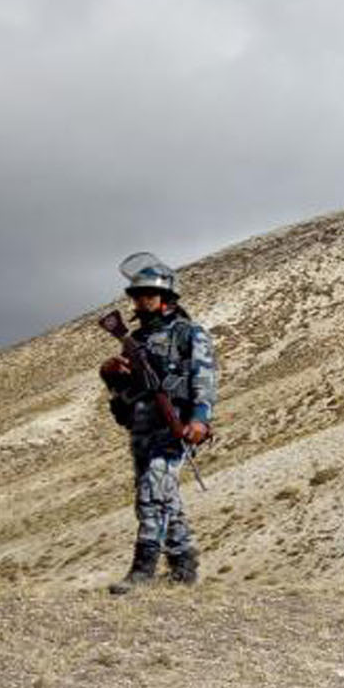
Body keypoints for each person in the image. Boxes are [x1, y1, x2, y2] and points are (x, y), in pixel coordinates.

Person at [98, 253, 217, 595]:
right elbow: (127, 390)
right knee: (160, 496)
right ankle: (183, 567)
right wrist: (112, 374)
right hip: (141, 427)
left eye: (148, 294)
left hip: (174, 426)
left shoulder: (189, 333)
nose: (141, 301)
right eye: (137, 295)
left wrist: (200, 419)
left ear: (165, 298)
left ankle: (142, 571)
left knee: (153, 491)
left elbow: (204, 379)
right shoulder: (136, 340)